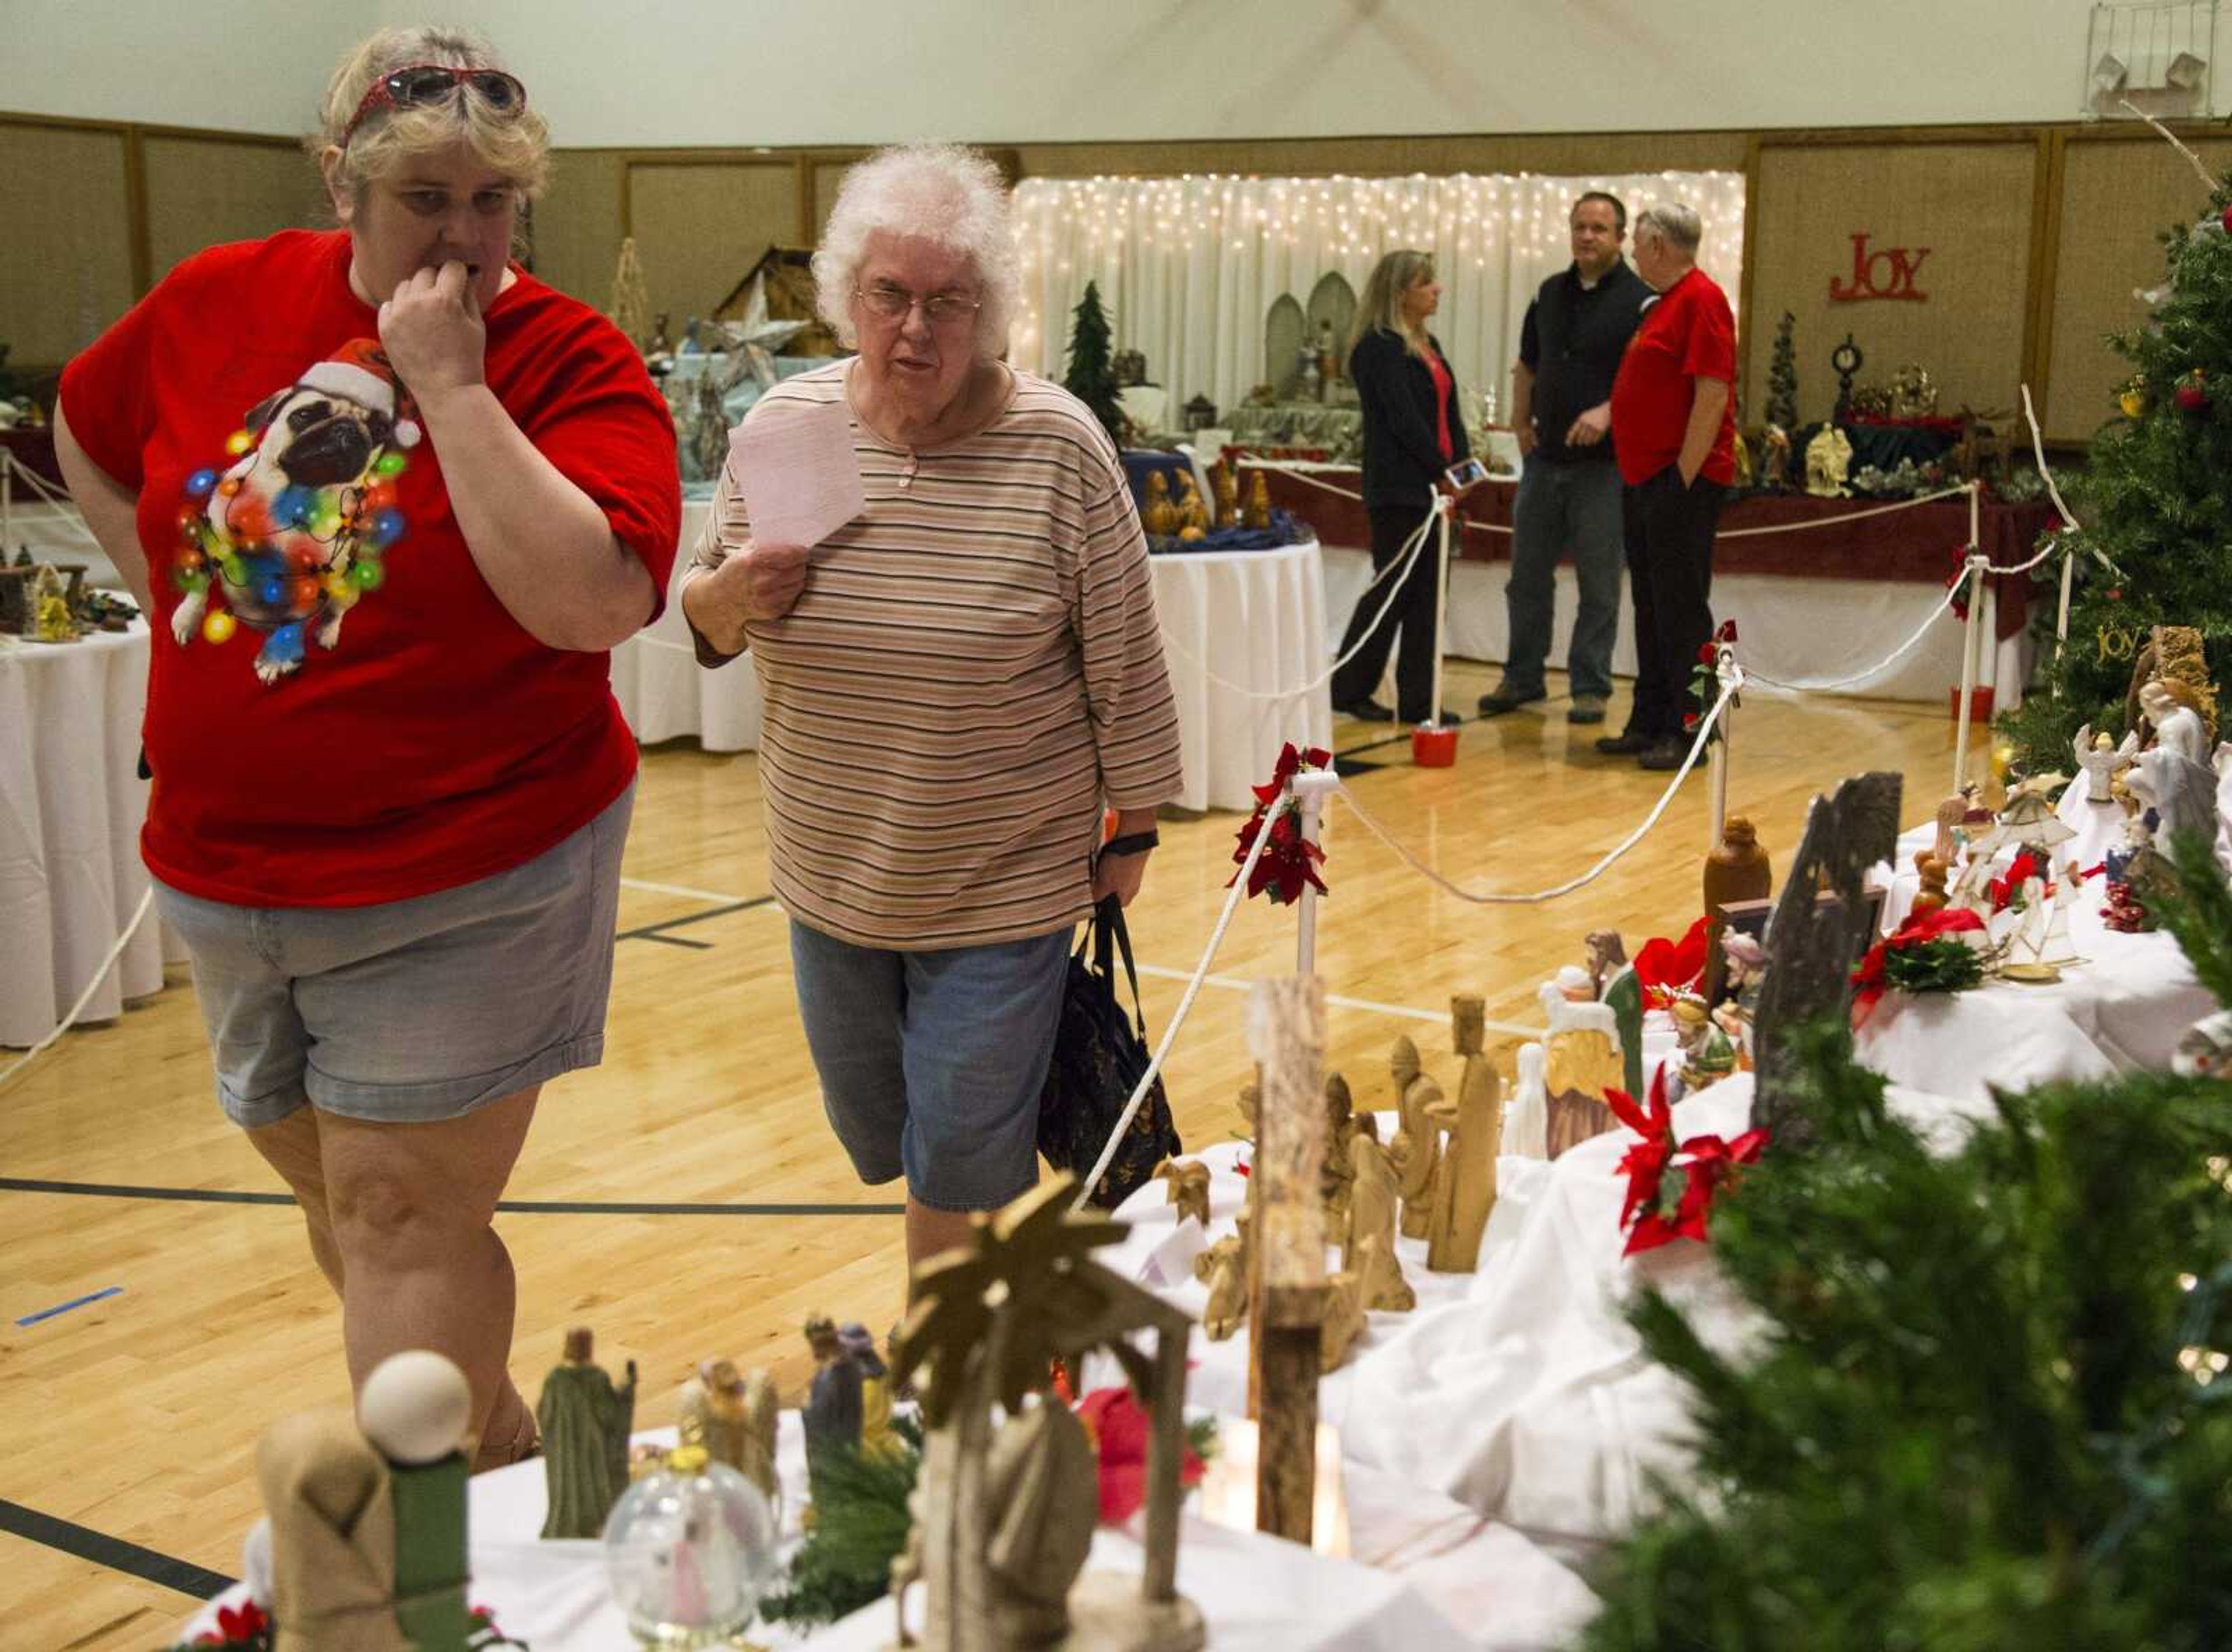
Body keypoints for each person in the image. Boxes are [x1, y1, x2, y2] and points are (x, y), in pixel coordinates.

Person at [53, 26, 680, 1467]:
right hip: (227, 870)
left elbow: (594, 603)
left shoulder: (566, 357)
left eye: (491, 206)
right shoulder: (219, 295)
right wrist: (173, 606)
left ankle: (437, 1573)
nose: (460, 241)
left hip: (470, 868)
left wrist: (451, 391)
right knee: (353, 1208)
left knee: (398, 1210)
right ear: (341, 182)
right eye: (426, 203)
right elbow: (85, 428)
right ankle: (515, 1468)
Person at [679, 145, 1181, 1275]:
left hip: (1004, 874)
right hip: (830, 866)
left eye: (949, 301)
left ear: (991, 312)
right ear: (847, 298)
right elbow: (705, 626)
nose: (916, 327)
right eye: (889, 295)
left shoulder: (1056, 448)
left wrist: (1134, 822)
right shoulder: (789, 428)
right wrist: (729, 592)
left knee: (956, 1154)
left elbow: (1127, 658)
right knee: (879, 1128)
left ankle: (947, 1397)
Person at [1477, 193, 1651, 727]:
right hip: (1544, 461)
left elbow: (1646, 380)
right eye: (1580, 227)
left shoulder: (1642, 301)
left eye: (1600, 228)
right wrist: (1520, 422)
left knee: (1599, 584)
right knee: (1526, 579)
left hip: (1604, 467)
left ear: (1620, 237)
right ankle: (1523, 677)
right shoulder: (1549, 293)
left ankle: (1590, 687)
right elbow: (1528, 364)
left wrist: (1609, 412)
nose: (1588, 236)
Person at [1603, 202, 1737, 771]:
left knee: (1681, 610)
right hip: (1645, 478)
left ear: (1659, 244)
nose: (1633, 252)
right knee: (1651, 605)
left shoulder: (1703, 300)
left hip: (1679, 481)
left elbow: (1712, 393)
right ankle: (1650, 719)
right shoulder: (1665, 304)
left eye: (1638, 242)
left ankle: (1692, 733)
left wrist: (1681, 476)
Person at [1329, 249, 1472, 727]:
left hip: (1434, 487)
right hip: (1400, 488)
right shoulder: (1378, 346)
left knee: (1428, 596)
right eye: (1426, 283)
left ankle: (1419, 699)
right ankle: (1349, 686)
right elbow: (1403, 420)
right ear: (1400, 293)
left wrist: (1464, 464)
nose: (1438, 290)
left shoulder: (1426, 343)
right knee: (1393, 588)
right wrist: (1440, 469)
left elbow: (1448, 410)